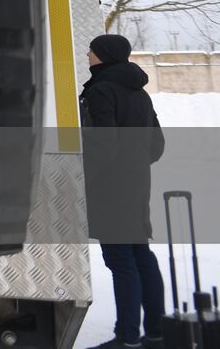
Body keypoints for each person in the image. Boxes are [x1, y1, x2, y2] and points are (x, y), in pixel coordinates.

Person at [80, 33, 167, 349]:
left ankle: (127, 337)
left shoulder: (101, 91)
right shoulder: (140, 94)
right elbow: (156, 145)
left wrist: (84, 177)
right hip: (135, 185)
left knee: (121, 261)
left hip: (109, 188)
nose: (87, 53)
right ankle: (156, 332)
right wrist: (133, 165)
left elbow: (102, 142)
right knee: (140, 254)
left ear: (103, 56)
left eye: (92, 49)